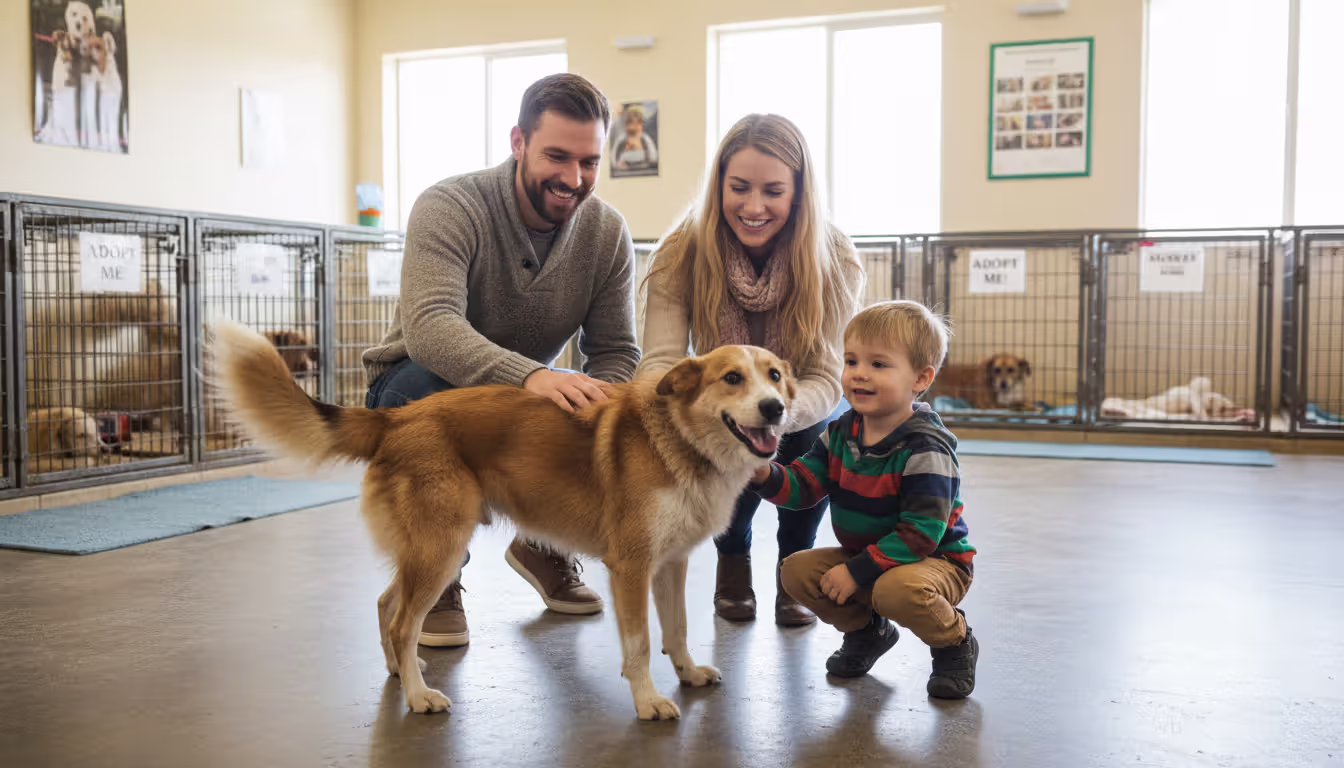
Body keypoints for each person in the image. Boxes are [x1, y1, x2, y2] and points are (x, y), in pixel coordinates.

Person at [362, 73, 641, 648]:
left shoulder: (608, 232)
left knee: (595, 405)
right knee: (427, 386)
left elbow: (616, 352)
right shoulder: (451, 204)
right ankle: (436, 576)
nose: (573, 178)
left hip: (519, 401)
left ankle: (544, 544)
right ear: (518, 142)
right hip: (415, 385)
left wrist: (597, 404)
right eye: (556, 156)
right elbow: (432, 328)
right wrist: (533, 376)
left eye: (588, 162)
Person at [637, 113, 865, 625]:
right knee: (721, 440)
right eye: (738, 188)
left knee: (816, 440)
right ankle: (732, 557)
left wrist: (774, 412)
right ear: (718, 185)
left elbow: (829, 375)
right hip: (720, 398)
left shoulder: (836, 257)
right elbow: (659, 360)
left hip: (800, 402)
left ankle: (794, 566)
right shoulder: (679, 251)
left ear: (799, 194)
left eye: (773, 191)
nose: (754, 206)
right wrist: (702, 414)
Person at [752, 300, 979, 697]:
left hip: (934, 562)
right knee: (796, 572)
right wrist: (761, 473)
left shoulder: (926, 446)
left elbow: (919, 535)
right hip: (872, 557)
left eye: (878, 365)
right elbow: (803, 486)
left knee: (896, 591)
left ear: (921, 378)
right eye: (852, 361)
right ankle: (867, 633)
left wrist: (856, 572)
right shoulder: (842, 431)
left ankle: (955, 643)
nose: (858, 374)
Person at [612, 104, 658, 173]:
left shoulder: (645, 139)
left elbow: (653, 157)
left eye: (638, 123)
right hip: (625, 172)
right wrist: (618, 165)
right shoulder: (621, 140)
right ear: (626, 125)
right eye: (630, 123)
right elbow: (614, 158)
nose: (634, 127)